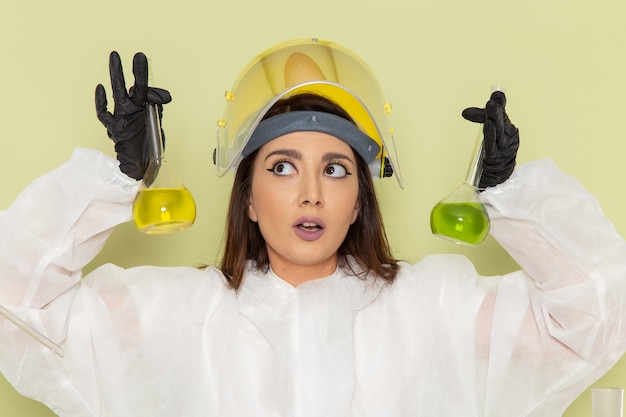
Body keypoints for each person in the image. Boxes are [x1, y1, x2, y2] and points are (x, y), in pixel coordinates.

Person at [0, 38, 625, 417]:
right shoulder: (179, 315)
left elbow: (598, 315)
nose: (309, 194)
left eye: (334, 169)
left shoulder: (435, 307)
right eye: (281, 166)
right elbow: (18, 310)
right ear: (247, 198)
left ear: (359, 201)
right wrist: (114, 179)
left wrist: (511, 193)